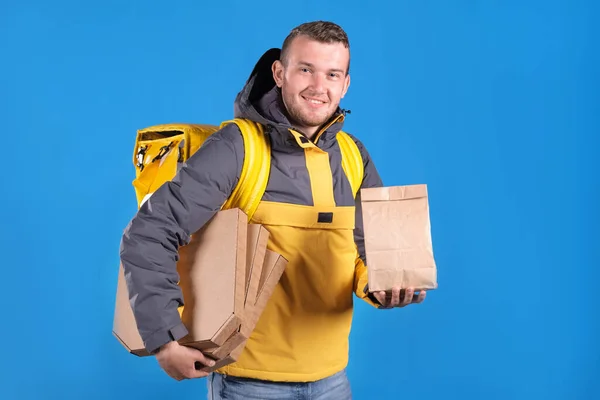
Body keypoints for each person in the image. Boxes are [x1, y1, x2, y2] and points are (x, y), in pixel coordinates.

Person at [119, 20, 427, 399]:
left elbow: (366, 255)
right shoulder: (238, 148)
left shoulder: (352, 155)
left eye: (332, 74)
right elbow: (149, 231)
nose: (319, 86)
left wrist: (382, 286)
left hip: (332, 381)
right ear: (279, 73)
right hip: (248, 386)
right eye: (306, 70)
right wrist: (164, 339)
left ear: (345, 84)